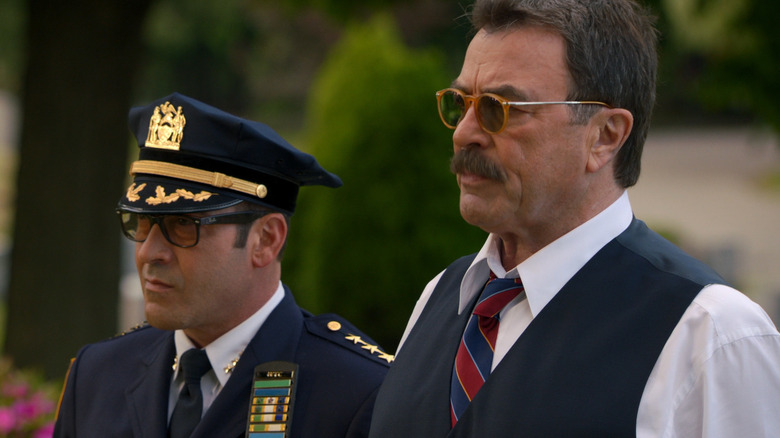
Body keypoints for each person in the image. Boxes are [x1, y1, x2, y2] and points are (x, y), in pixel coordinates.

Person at [368, 0, 780, 437]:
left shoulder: (710, 334)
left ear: (605, 136)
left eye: (500, 108)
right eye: (459, 103)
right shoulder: (440, 296)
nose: (465, 132)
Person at [54, 93, 392, 438]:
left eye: (183, 225)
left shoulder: (357, 393)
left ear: (266, 240)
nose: (149, 252)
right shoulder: (98, 375)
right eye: (140, 222)